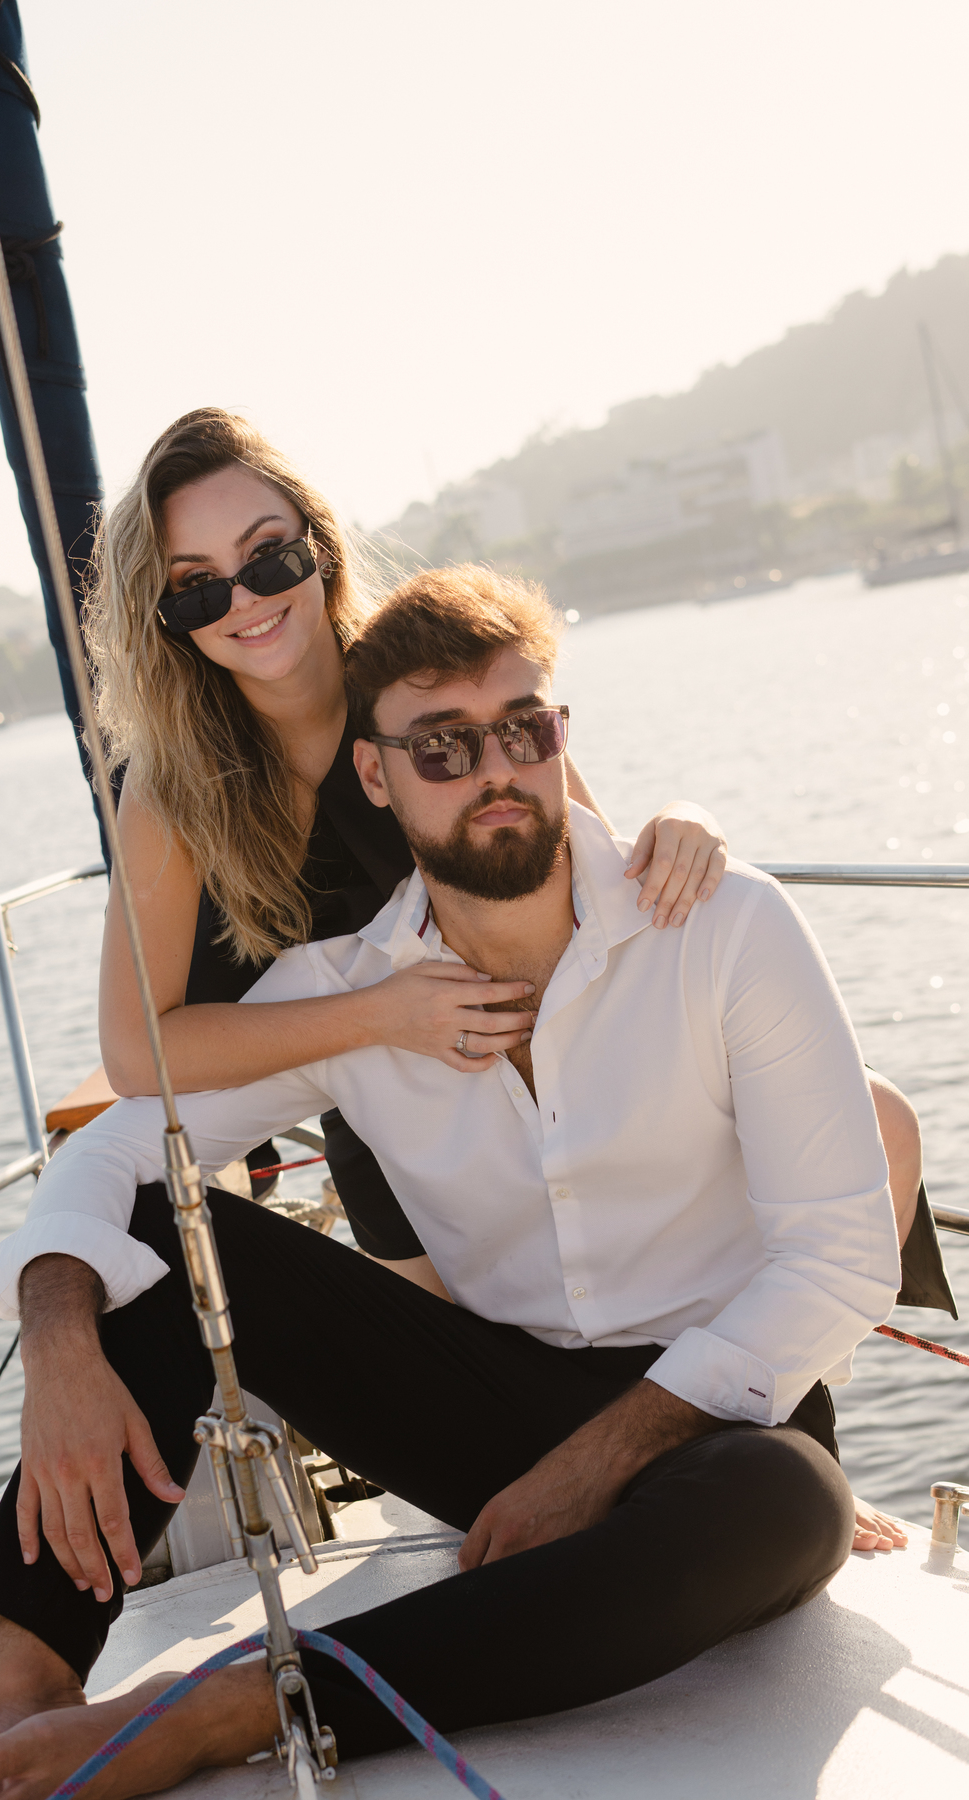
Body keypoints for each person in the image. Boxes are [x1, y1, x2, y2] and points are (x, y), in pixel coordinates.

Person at [0, 566, 905, 1799]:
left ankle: (233, 1706)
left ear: (560, 737)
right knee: (159, 1231)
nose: (496, 771)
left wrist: (595, 1462)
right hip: (499, 1409)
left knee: (788, 1503)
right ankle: (25, 1667)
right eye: (442, 746)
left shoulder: (726, 928)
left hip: (717, 1422)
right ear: (375, 774)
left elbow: (841, 1256)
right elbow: (118, 1149)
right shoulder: (348, 990)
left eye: (524, 730)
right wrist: (56, 1340)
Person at [85, 406, 735, 1267]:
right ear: (166, 614)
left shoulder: (422, 686)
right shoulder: (172, 791)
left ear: (319, 547)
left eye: (268, 555)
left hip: (557, 1086)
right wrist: (381, 1016)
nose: (245, 600)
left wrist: (690, 820)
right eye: (198, 584)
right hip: (381, 1147)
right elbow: (137, 1053)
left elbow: (583, 869)